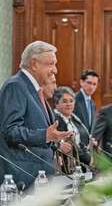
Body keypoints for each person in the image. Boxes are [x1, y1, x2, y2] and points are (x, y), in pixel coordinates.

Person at [0, 41, 71, 187]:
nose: (55, 70)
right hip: (23, 177)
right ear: (33, 63)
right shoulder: (16, 85)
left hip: (40, 177)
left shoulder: (35, 90)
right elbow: (10, 131)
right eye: (50, 64)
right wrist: (45, 135)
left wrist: (54, 142)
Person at [53, 87, 91, 174]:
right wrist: (59, 145)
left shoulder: (75, 118)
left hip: (81, 165)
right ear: (56, 103)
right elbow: (49, 139)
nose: (69, 104)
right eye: (64, 101)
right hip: (64, 167)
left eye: (71, 101)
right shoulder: (53, 119)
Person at [73, 69, 99, 134]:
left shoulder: (93, 104)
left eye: (94, 84)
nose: (91, 87)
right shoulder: (73, 99)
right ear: (81, 82)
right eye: (89, 83)